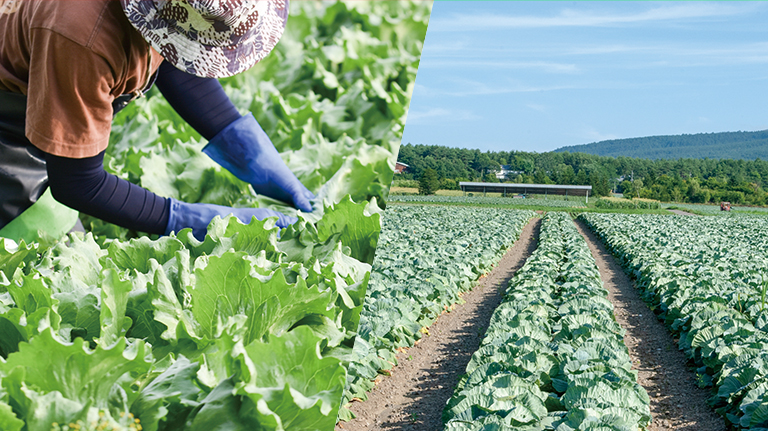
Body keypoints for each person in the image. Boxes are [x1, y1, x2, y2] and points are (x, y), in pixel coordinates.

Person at [0, 0, 313, 242]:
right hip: (7, 125)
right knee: (46, 265)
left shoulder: (161, 11)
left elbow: (174, 56)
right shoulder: (82, 35)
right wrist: (186, 218)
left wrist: (244, 145)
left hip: (49, 89)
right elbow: (77, 183)